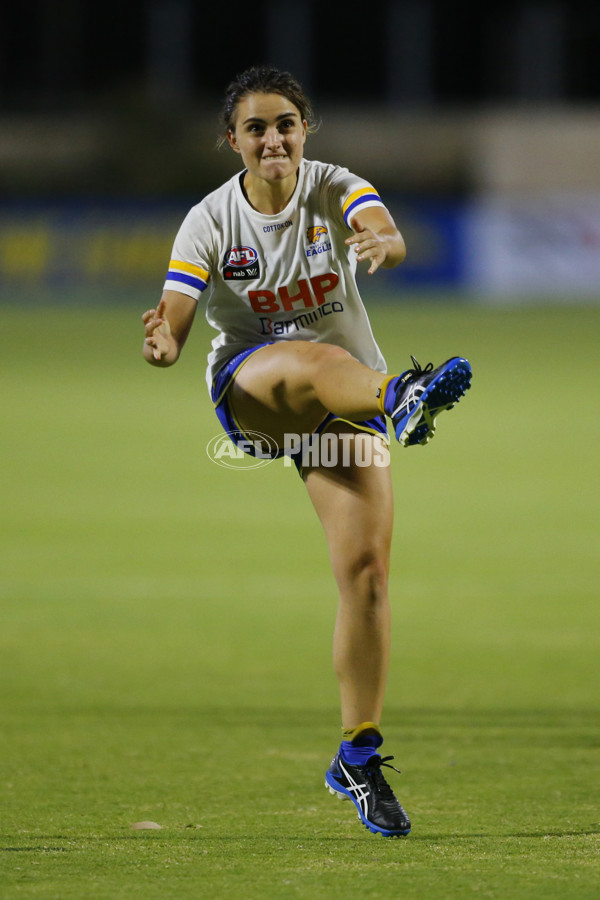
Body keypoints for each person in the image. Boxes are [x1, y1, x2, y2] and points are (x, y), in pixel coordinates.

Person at [142, 65, 471, 838]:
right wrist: (164, 341)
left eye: (285, 124)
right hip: (258, 393)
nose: (273, 139)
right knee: (314, 357)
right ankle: (403, 396)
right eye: (255, 128)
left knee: (366, 576)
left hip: (342, 401)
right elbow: (180, 314)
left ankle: (356, 756)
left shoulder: (332, 186)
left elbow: (377, 222)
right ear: (233, 141)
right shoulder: (210, 221)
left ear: (305, 130)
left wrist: (383, 241)